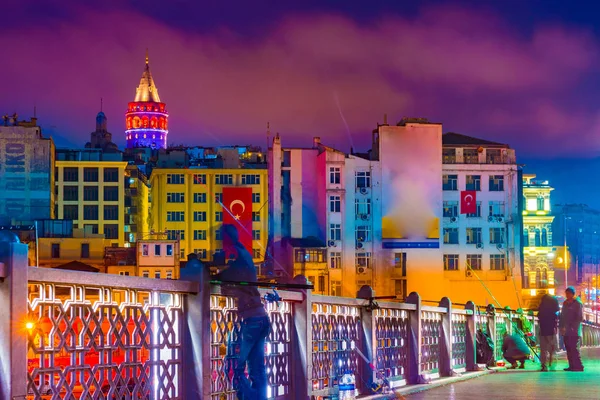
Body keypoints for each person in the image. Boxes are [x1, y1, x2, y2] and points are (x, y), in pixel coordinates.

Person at [215, 224, 270, 400]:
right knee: (256, 369)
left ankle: (250, 398)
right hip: (260, 317)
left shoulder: (238, 255)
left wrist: (214, 277)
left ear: (226, 239)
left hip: (250, 319)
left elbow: (232, 274)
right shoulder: (244, 253)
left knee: (233, 367)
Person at [559, 286, 584, 372]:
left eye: (569, 293)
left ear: (573, 294)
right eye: (566, 293)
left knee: (574, 348)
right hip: (566, 330)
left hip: (574, 330)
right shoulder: (565, 303)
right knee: (568, 348)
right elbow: (562, 316)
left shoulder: (577, 303)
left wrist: (573, 327)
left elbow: (579, 317)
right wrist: (561, 326)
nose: (567, 295)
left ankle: (579, 366)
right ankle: (571, 365)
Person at [537, 294, 560, 371]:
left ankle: (544, 365)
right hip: (552, 331)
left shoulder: (541, 310)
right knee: (552, 349)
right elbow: (556, 320)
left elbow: (539, 317)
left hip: (543, 331)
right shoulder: (554, 311)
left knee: (543, 349)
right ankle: (553, 365)